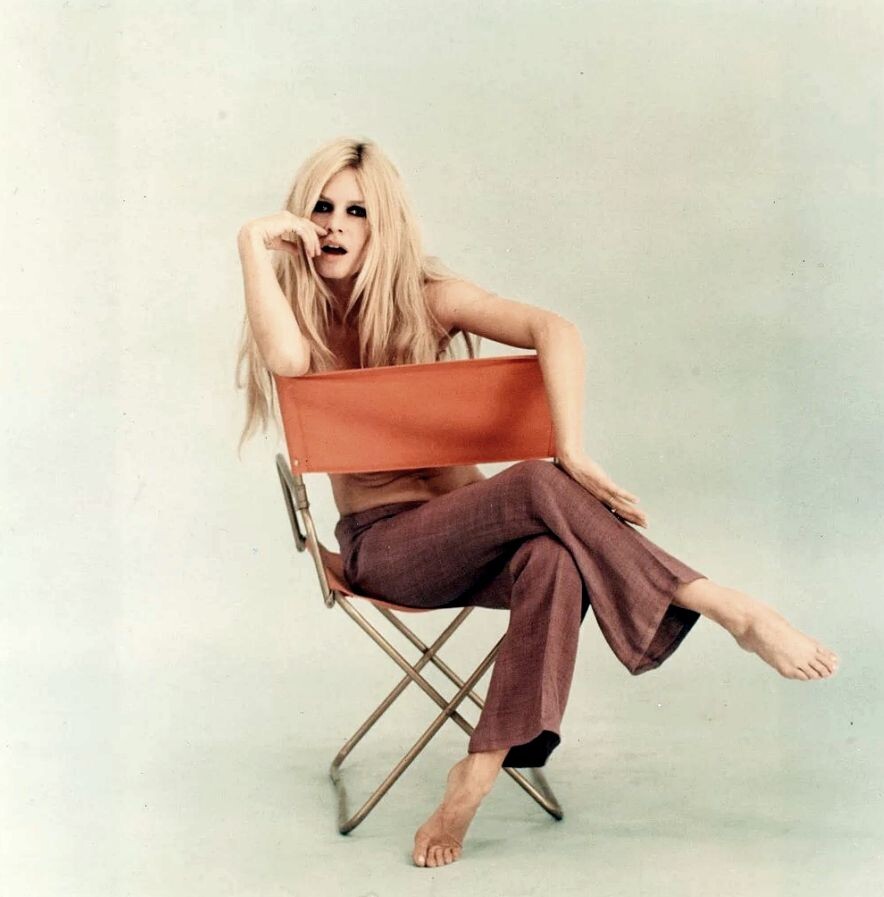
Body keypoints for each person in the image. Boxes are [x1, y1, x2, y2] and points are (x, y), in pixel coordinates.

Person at [235, 136, 839, 869]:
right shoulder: (298, 317)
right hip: (386, 550)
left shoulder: (428, 297)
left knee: (554, 554)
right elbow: (285, 361)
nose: (334, 225)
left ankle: (480, 769)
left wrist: (571, 449)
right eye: (321, 207)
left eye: (357, 211)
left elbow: (555, 330)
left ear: (383, 223)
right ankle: (725, 606)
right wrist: (251, 242)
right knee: (532, 481)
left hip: (475, 539)